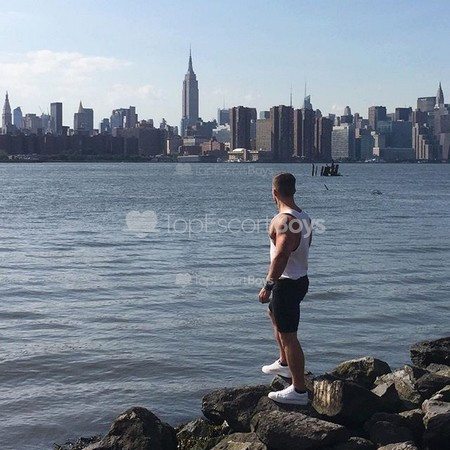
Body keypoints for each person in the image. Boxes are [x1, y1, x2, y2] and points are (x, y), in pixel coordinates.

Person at [258, 172, 311, 405]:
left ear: (274, 193)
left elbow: (281, 256)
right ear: (294, 190)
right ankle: (284, 362)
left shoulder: (285, 221)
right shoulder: (303, 216)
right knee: (273, 313)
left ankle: (299, 390)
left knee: (290, 336)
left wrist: (268, 286)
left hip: (287, 283)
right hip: (300, 279)